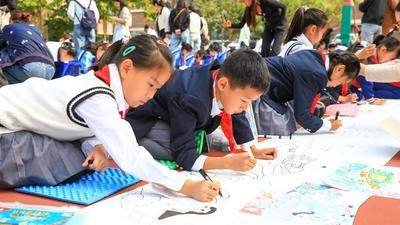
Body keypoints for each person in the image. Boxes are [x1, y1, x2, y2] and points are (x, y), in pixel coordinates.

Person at [0, 34, 220, 202]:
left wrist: (96, 144)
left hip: (13, 125)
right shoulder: (99, 96)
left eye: (157, 89)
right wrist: (185, 185)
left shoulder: (102, 89)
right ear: (126, 68)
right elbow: (130, 156)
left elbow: (76, 125)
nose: (151, 95)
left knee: (77, 156)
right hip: (5, 130)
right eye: (151, 85)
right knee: (65, 159)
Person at [126, 49, 277, 172]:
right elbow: (184, 155)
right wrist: (226, 163)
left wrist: (252, 150)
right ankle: (128, 139)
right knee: (173, 152)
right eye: (244, 101)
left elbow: (237, 113)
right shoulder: (191, 98)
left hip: (177, 115)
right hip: (149, 117)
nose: (245, 107)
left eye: (250, 102)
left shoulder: (225, 78)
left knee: (203, 142)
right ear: (223, 85)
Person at [255, 50, 360, 135]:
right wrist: (328, 125)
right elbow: (302, 116)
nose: (337, 85)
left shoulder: (317, 57)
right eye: (342, 82)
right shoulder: (315, 73)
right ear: (339, 69)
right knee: (282, 130)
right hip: (258, 88)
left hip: (263, 80)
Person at [0, 11, 55, 84]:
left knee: (3, 64)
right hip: (50, 70)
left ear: (11, 20)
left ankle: (7, 93)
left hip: (30, 68)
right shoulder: (36, 29)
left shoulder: (8, 28)